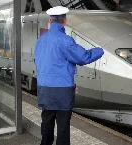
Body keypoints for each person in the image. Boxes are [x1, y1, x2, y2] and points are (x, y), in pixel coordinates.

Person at [33, 6, 104, 145]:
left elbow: (38, 61)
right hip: (62, 91)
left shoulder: (40, 40)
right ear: (65, 21)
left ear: (50, 20)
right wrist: (100, 50)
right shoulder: (65, 40)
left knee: (46, 122)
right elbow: (83, 57)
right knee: (63, 126)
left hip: (44, 89)